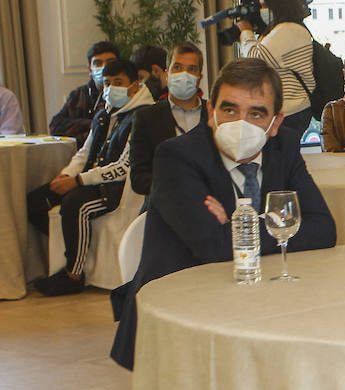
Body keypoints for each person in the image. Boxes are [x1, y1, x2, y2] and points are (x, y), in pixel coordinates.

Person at [109, 58, 337, 370]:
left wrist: (236, 225)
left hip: (259, 302)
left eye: (256, 113)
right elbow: (214, 249)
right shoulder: (176, 157)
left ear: (276, 122)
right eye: (229, 110)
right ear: (210, 113)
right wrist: (276, 226)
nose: (240, 124)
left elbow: (323, 229)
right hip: (176, 316)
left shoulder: (282, 147)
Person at [26, 58, 154, 294]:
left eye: (118, 82)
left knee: (75, 204)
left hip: (114, 189)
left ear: (135, 85)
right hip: (88, 180)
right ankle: (71, 251)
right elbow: (85, 152)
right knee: (35, 201)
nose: (110, 88)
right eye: (106, 83)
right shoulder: (104, 114)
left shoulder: (143, 117)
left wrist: (78, 181)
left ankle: (73, 275)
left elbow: (124, 167)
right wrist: (66, 175)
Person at [128, 42, 209, 202]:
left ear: (199, 77)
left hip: (211, 202)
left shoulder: (214, 113)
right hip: (164, 204)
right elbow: (138, 179)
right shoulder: (146, 117)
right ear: (166, 73)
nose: (184, 74)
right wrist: (175, 185)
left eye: (191, 69)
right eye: (177, 67)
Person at [237, 0, 316, 134]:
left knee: (281, 156)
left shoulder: (288, 30)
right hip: (287, 109)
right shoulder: (283, 29)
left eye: (265, 5)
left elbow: (255, 59)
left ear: (277, 4)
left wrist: (246, 32)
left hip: (290, 110)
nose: (262, 10)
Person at [50, 41, 119, 145]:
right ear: (89, 69)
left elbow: (107, 133)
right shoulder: (79, 93)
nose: (104, 67)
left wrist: (77, 128)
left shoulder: (122, 95)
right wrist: (90, 124)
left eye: (110, 62)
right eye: (98, 63)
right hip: (76, 153)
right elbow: (55, 126)